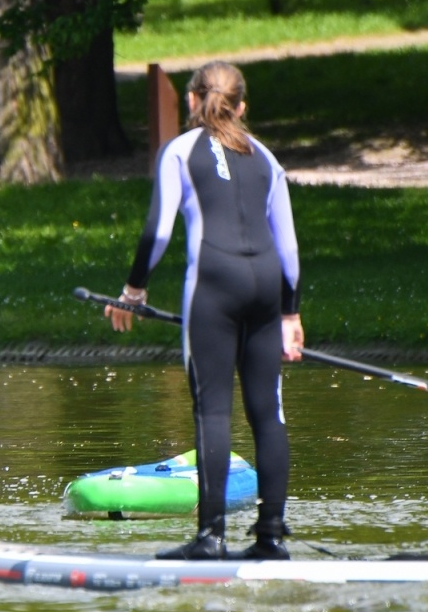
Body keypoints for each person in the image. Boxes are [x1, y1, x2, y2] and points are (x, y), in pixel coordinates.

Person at [106, 61, 304, 561]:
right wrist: (290, 314)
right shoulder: (265, 156)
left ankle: (210, 539)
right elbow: (289, 248)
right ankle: (271, 538)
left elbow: (158, 231)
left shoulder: (179, 150)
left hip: (213, 287)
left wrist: (133, 291)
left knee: (213, 410)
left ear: (192, 101)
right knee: (269, 412)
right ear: (242, 107)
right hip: (266, 291)